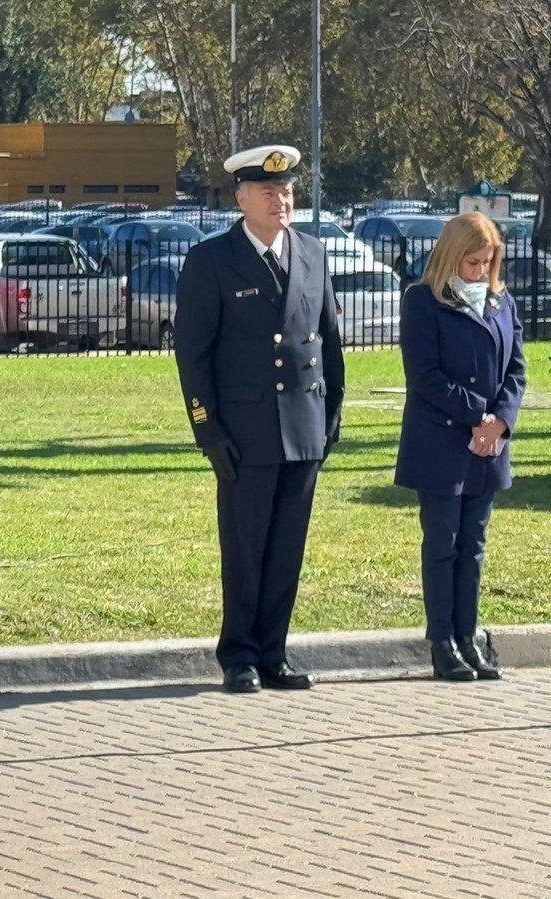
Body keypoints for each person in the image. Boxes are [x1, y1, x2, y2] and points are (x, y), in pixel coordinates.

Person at [174, 145, 345, 694]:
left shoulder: (313, 253)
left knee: (286, 550)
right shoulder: (212, 260)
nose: (282, 200)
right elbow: (193, 356)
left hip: (303, 428)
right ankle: (240, 654)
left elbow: (329, 344)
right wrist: (208, 430)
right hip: (245, 433)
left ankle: (274, 651)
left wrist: (331, 416)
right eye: (269, 192)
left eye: (288, 190)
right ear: (241, 197)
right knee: (246, 548)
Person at [394, 211, 525, 681]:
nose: (480, 271)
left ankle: (469, 637)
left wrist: (500, 422)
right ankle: (443, 640)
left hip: (487, 446)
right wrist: (477, 416)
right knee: (443, 543)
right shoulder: (422, 300)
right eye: (472, 262)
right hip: (442, 442)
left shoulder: (501, 301)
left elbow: (517, 370)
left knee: (473, 545)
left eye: (487, 263)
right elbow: (425, 375)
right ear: (451, 256)